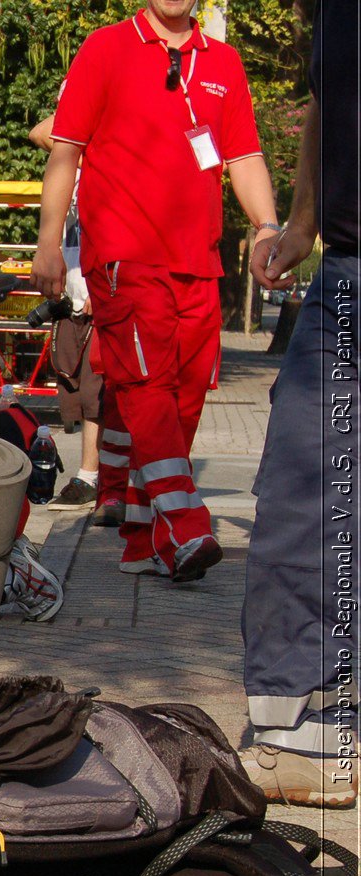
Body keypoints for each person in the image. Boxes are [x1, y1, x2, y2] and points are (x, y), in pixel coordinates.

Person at [31, 0, 281, 582]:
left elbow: (243, 157)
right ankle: (188, 522)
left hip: (199, 259)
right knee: (146, 387)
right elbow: (64, 151)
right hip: (123, 255)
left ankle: (145, 540)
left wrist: (269, 228)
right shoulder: (105, 47)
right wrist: (48, 244)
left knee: (185, 397)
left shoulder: (224, 61)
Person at [238, 0, 357, 808]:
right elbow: (328, 101)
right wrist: (305, 220)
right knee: (302, 487)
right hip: (347, 273)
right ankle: (300, 733)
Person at [29, 105, 125, 523]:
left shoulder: (117, 159)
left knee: (98, 393)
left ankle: (96, 478)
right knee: (76, 389)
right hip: (73, 288)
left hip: (107, 288)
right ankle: (99, 478)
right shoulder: (76, 157)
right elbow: (41, 131)